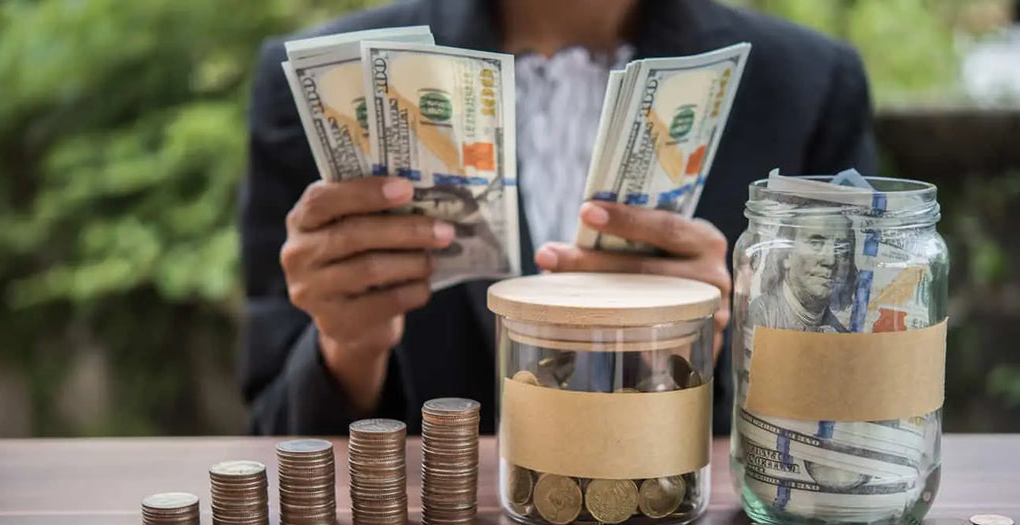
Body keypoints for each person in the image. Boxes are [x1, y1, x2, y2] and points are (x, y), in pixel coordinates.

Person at [238, 0, 877, 436]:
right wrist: (347, 345)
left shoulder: (809, 86)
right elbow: (274, 426)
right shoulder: (326, 76)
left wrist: (735, 343)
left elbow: (855, 409)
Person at [749, 223, 854, 333]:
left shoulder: (841, 335)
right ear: (786, 256)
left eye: (842, 249)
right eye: (816, 244)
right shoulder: (761, 315)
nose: (831, 260)